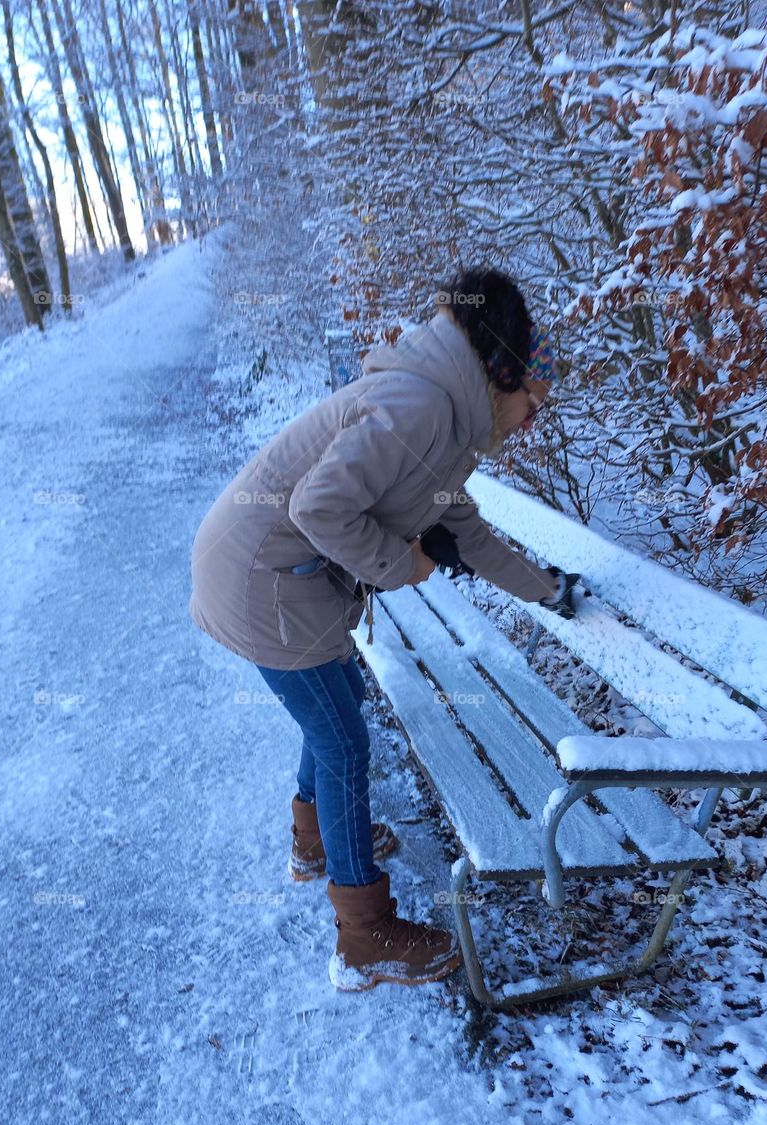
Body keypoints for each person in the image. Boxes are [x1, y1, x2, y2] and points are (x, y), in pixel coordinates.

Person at [188, 265, 579, 993]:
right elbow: (318, 509)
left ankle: (316, 844)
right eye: (535, 402)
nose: (534, 421)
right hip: (259, 581)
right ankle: (364, 937)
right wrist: (402, 566)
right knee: (342, 739)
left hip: (269, 573)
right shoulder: (420, 409)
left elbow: (472, 536)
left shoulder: (444, 425)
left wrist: (550, 592)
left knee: (340, 705)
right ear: (501, 378)